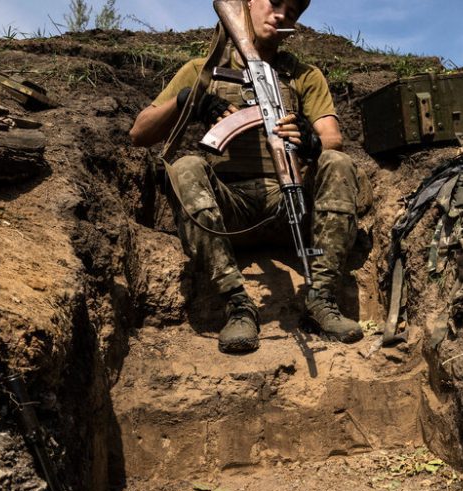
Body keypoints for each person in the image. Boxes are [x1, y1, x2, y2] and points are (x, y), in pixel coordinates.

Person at [129, 0, 364, 353]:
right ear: (247, 3)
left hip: (290, 209)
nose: (282, 15)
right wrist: (186, 100)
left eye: (293, 13)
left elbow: (333, 138)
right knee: (187, 167)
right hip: (229, 210)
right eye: (275, 3)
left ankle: (322, 298)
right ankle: (237, 304)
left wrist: (310, 138)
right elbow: (139, 134)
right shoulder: (204, 69)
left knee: (337, 162)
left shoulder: (303, 75)